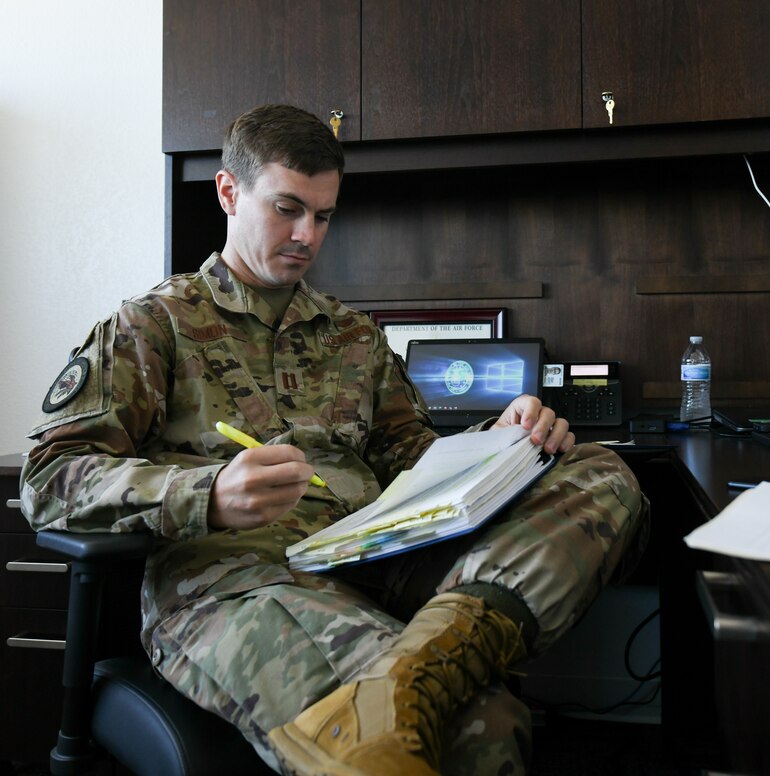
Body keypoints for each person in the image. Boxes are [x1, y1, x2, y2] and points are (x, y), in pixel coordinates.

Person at [19, 104, 647, 776]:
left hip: (374, 561)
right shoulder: (153, 327)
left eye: (323, 216)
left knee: (599, 474)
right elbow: (50, 477)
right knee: (480, 724)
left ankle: (418, 667)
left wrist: (499, 443)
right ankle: (419, 677)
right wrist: (206, 492)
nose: (307, 235)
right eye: (288, 209)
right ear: (229, 192)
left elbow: (413, 462)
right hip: (239, 583)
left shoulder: (354, 337)